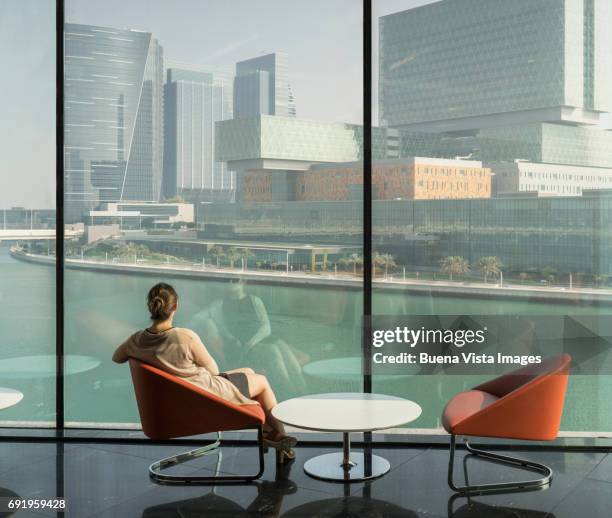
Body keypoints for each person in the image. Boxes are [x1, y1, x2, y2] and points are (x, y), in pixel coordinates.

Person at [112, 282, 296, 463]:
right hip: (206, 395)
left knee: (248, 371)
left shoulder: (136, 340)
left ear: (150, 307)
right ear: (175, 306)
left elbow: (117, 357)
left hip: (184, 395)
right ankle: (280, 435)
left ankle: (268, 433)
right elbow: (213, 370)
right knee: (262, 382)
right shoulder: (184, 336)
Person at [189, 278, 308, 398]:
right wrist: (210, 324)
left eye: (235, 280)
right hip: (237, 344)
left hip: (256, 339)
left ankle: (303, 392)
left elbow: (266, 327)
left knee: (283, 348)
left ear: (243, 282)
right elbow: (197, 318)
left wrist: (251, 343)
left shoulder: (255, 300)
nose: (230, 283)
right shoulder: (218, 304)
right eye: (227, 280)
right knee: (273, 351)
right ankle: (290, 393)